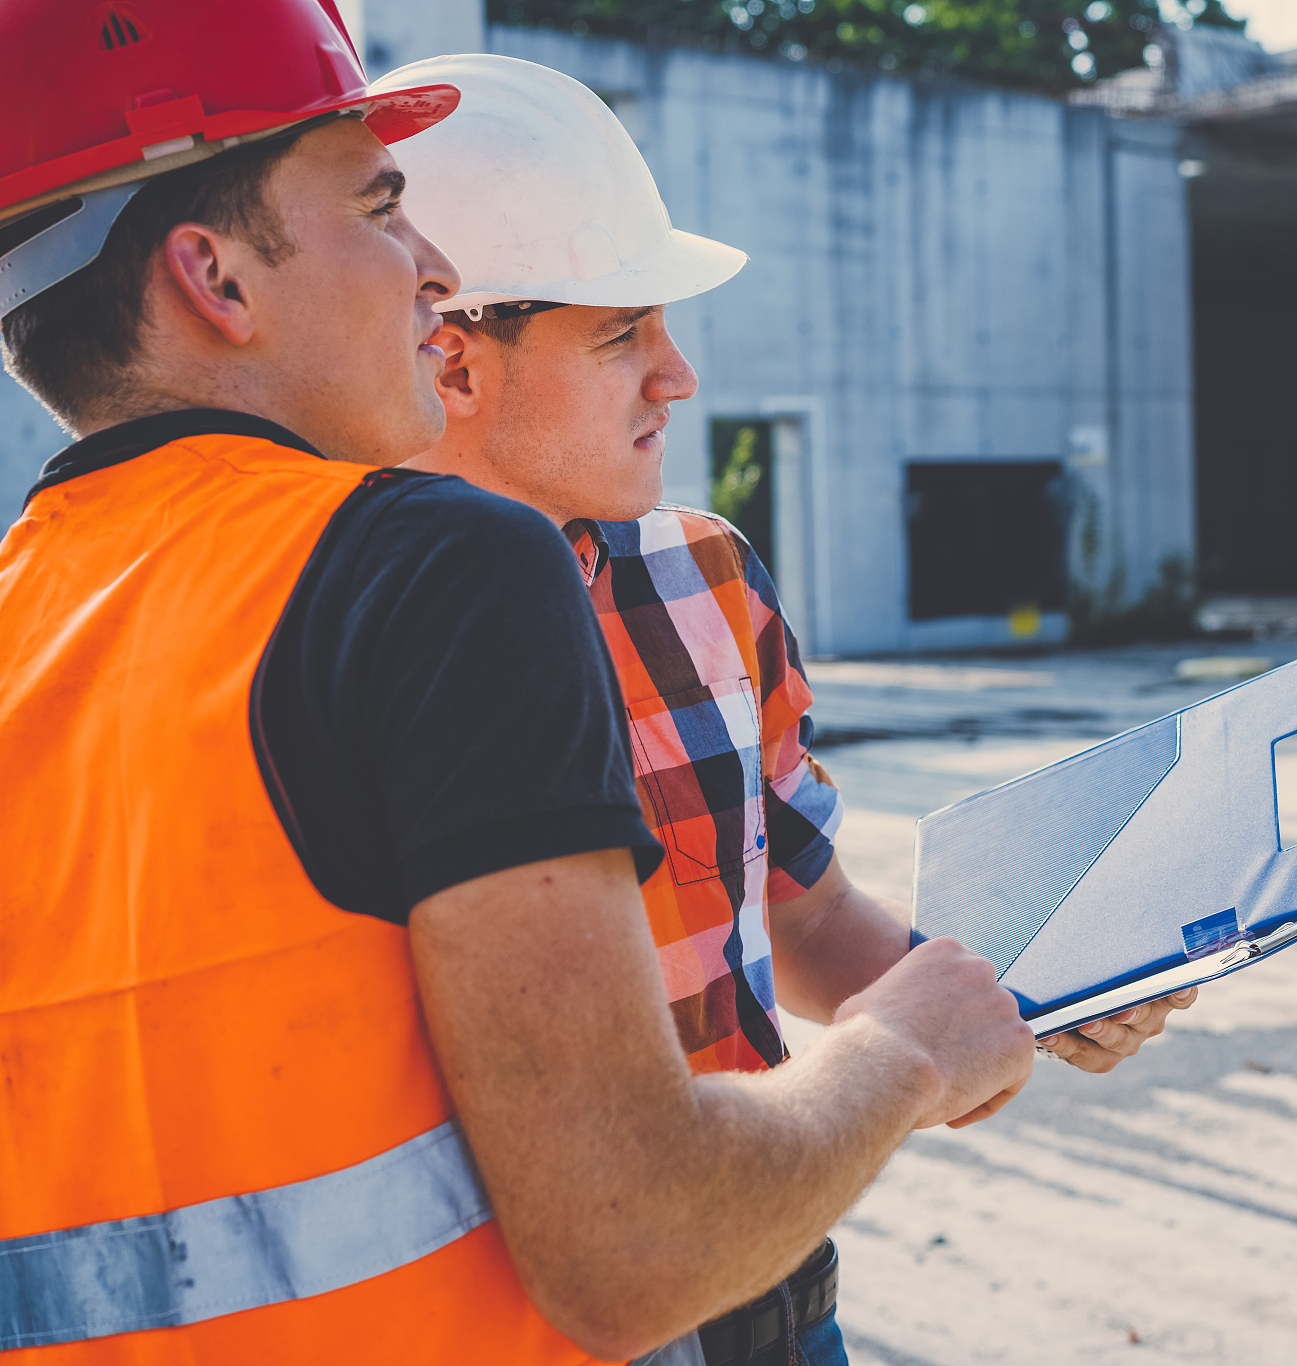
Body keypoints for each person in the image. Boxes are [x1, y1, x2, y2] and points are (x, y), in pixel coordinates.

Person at [0, 5, 1033, 1363]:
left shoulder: (35, 619)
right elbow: (634, 1240)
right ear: (216, 278)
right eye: (378, 208)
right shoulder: (432, 568)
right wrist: (899, 1056)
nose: (425, 267)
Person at [371, 54, 1198, 1366]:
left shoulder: (703, 574)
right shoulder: (342, 629)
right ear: (453, 362)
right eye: (622, 331)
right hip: (515, 1319)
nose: (679, 374)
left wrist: (1023, 996)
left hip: (770, 1276)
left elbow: (800, 912)